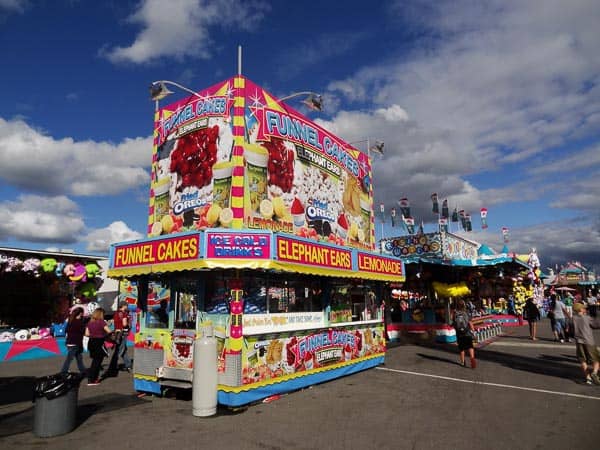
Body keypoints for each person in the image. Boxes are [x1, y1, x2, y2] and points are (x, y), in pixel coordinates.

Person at [571, 302, 600, 385]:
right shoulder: (586, 318)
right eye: (584, 308)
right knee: (596, 359)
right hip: (588, 341)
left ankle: (588, 378)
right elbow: (596, 325)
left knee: (582, 360)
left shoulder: (573, 318)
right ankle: (594, 373)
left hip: (579, 341)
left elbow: (570, 330)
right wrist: (598, 314)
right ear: (580, 309)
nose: (585, 309)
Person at [103, 302, 132, 377]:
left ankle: (128, 364)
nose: (127, 307)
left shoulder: (116, 313)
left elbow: (115, 322)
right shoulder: (124, 314)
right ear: (124, 306)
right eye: (126, 306)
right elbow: (124, 324)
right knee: (120, 350)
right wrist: (129, 324)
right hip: (122, 333)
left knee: (123, 349)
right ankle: (112, 366)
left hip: (117, 333)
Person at [85, 307, 112, 386]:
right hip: (99, 342)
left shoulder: (90, 322)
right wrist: (103, 334)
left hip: (91, 342)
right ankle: (92, 379)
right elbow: (109, 331)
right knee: (97, 362)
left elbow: (86, 334)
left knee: (95, 361)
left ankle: (93, 378)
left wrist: (94, 333)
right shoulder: (101, 322)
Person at [60, 307, 87, 375]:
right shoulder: (79, 322)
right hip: (75, 343)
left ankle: (83, 370)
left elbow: (66, 330)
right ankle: (63, 371)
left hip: (70, 342)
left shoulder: (71, 321)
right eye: (83, 313)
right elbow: (84, 332)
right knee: (69, 359)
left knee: (79, 358)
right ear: (80, 313)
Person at [452, 299, 476, 369]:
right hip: (467, 332)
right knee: (470, 346)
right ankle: (472, 358)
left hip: (459, 333)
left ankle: (462, 362)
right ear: (464, 305)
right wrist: (473, 331)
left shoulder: (455, 313)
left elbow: (453, 322)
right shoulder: (466, 312)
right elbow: (470, 323)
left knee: (461, 348)